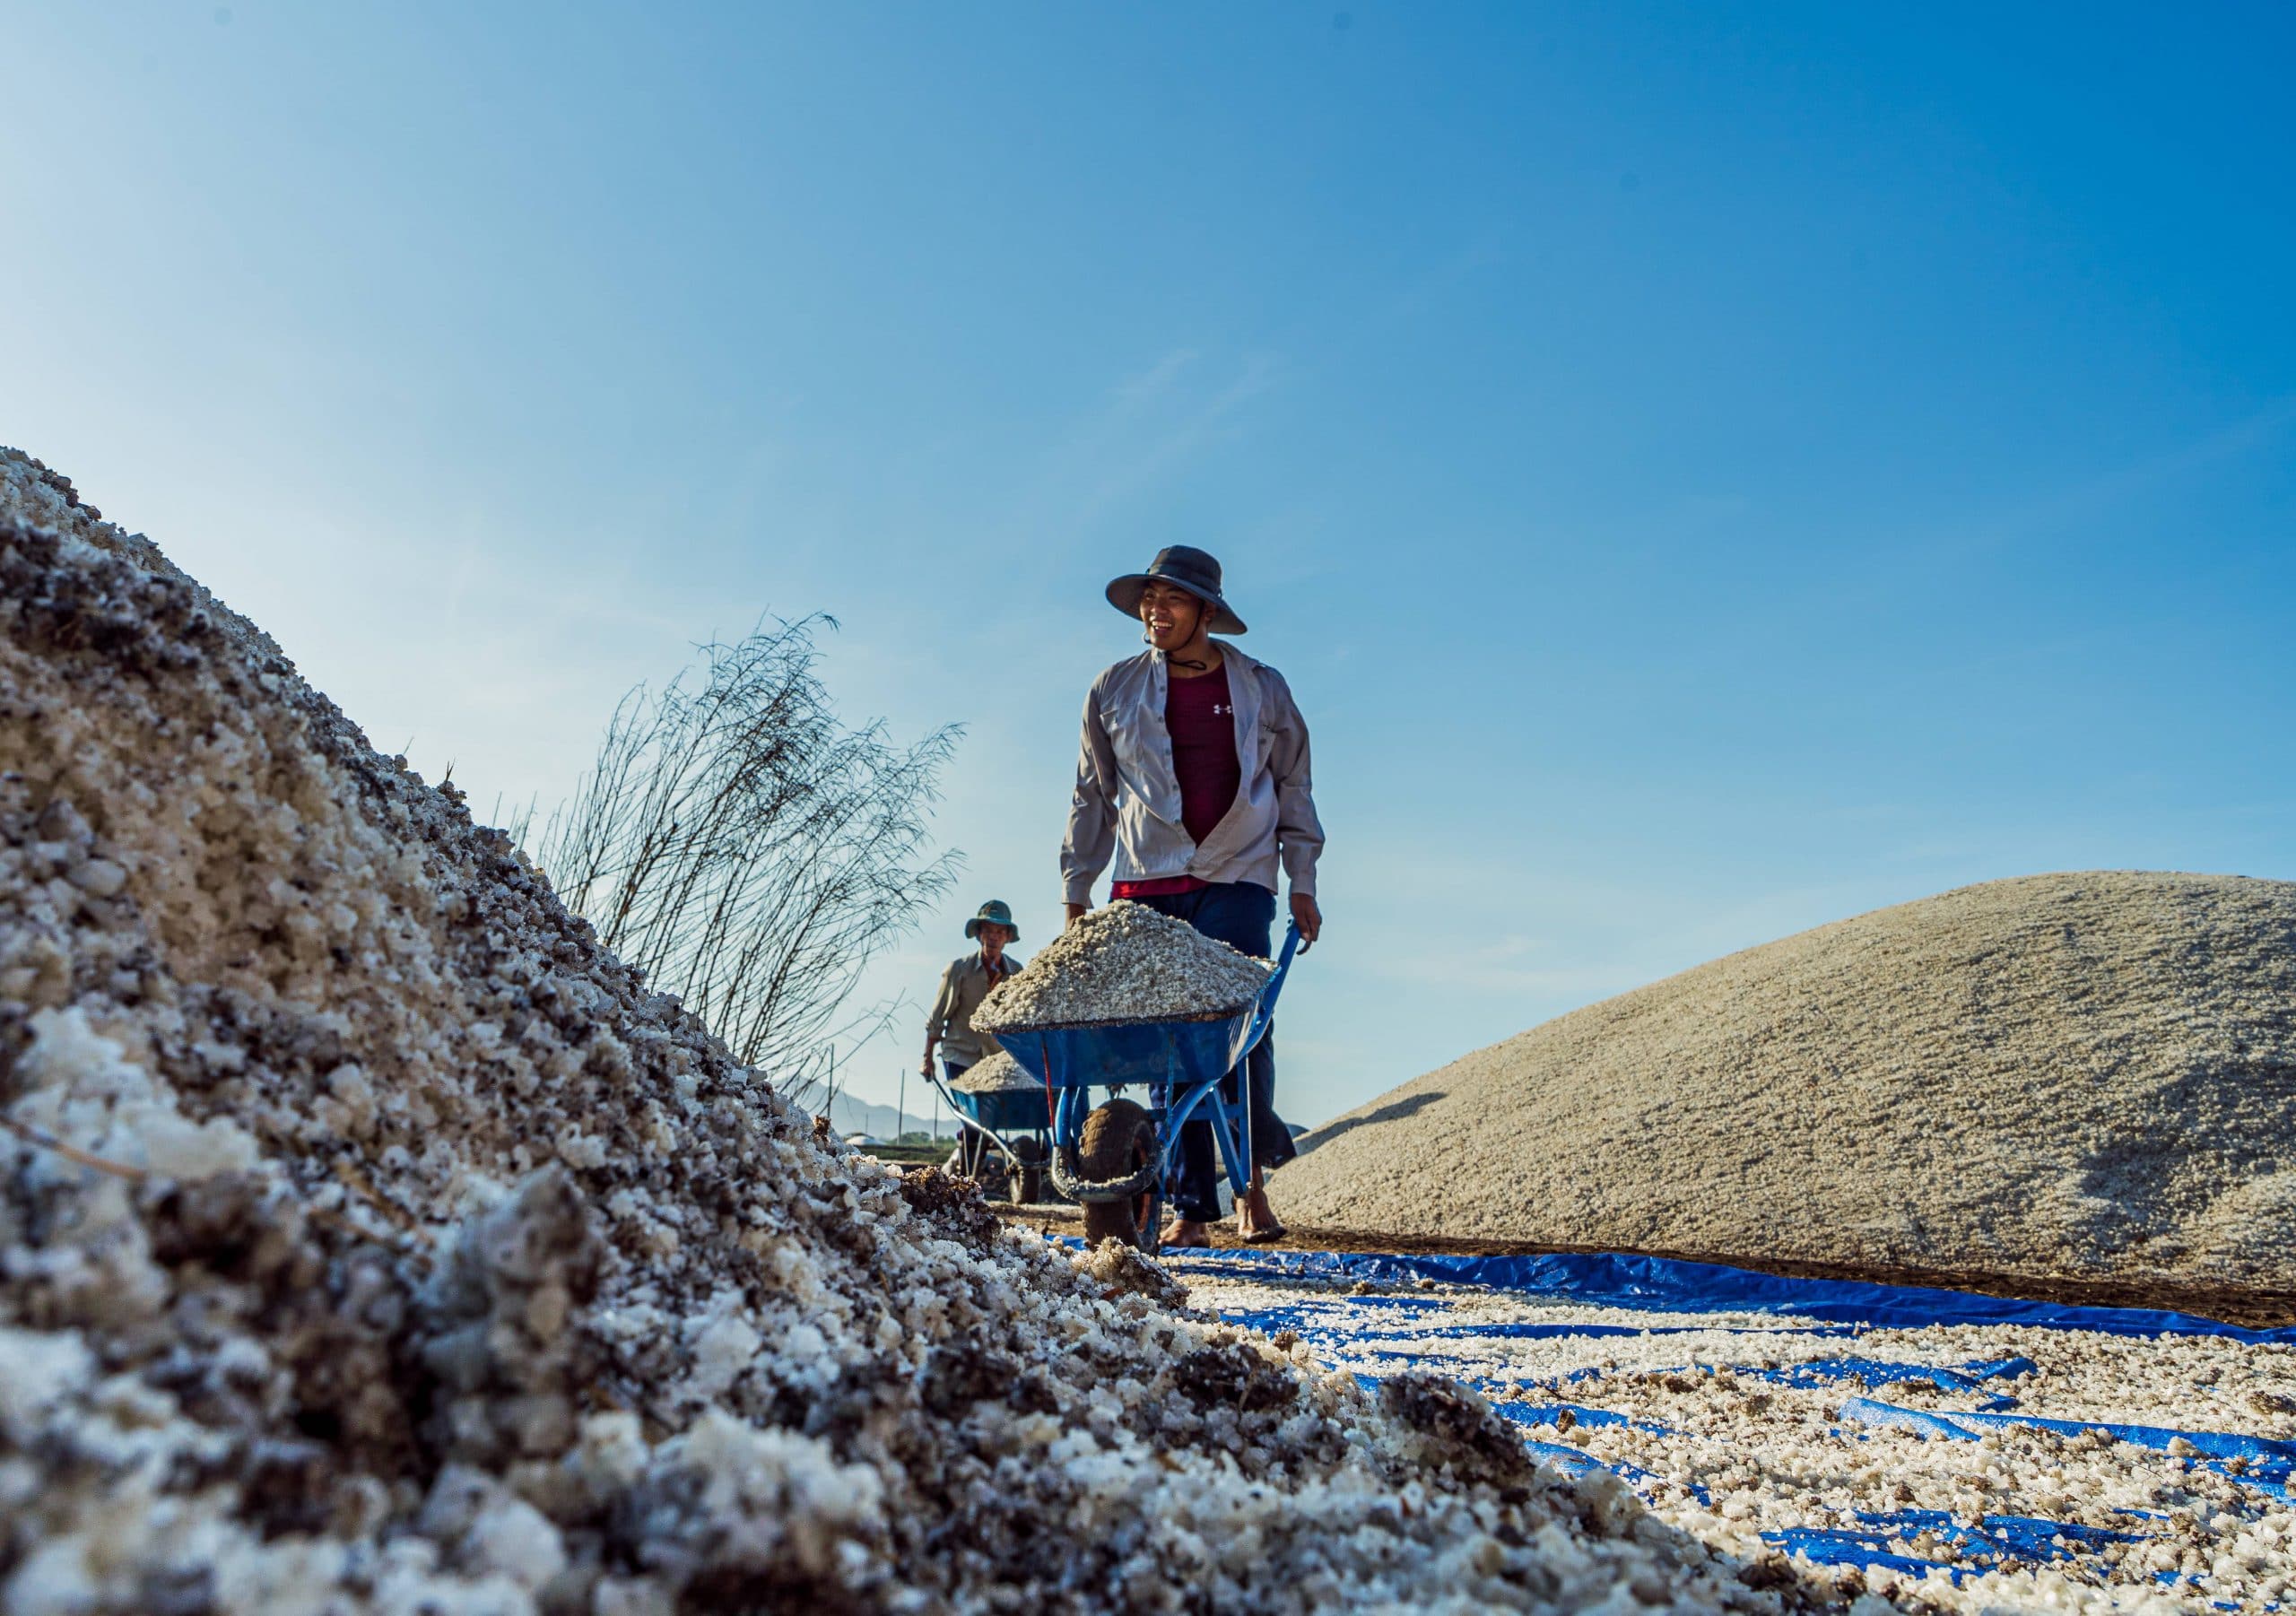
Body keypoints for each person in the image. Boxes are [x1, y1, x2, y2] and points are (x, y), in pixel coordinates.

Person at [1061, 545, 1325, 1247]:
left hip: (1238, 873)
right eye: (1148, 597)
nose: (1155, 610)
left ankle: (1251, 1187)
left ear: (1207, 611)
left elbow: (1294, 784)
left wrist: (1304, 878)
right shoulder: (1113, 689)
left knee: (1237, 1026)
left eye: (1172, 599)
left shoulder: (1263, 688)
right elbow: (1092, 793)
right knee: (1163, 1041)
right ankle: (1190, 1208)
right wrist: (1075, 890)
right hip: (1145, 879)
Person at [922, 900, 1024, 1175]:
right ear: (979, 934)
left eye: (999, 932)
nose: (993, 936)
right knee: (972, 1120)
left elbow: (1019, 1020)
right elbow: (937, 1017)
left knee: (985, 1123)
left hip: (995, 1060)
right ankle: (967, 1180)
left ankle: (962, 1169)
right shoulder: (959, 970)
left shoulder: (1016, 974)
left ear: (1007, 938)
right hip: (961, 1053)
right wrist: (927, 1058)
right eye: (988, 930)